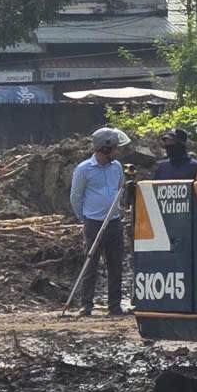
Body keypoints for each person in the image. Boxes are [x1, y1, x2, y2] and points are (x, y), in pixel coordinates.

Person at [69, 126, 130, 316]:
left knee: (116, 265)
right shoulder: (84, 169)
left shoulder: (116, 167)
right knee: (91, 263)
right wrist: (84, 218)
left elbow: (120, 187)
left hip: (113, 221)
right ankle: (86, 305)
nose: (117, 152)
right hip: (93, 222)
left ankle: (115, 305)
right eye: (114, 149)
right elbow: (76, 197)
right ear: (105, 149)